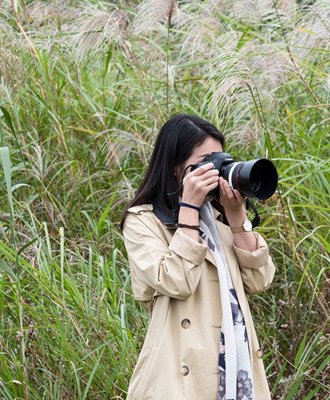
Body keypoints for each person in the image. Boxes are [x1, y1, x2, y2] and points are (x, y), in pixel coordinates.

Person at [118, 113, 276, 399]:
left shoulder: (219, 219)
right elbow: (177, 281)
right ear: (177, 167)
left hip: (236, 369)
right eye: (206, 162)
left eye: (221, 160)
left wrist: (237, 216)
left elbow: (260, 280)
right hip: (177, 378)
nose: (216, 170)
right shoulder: (143, 222)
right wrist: (188, 207)